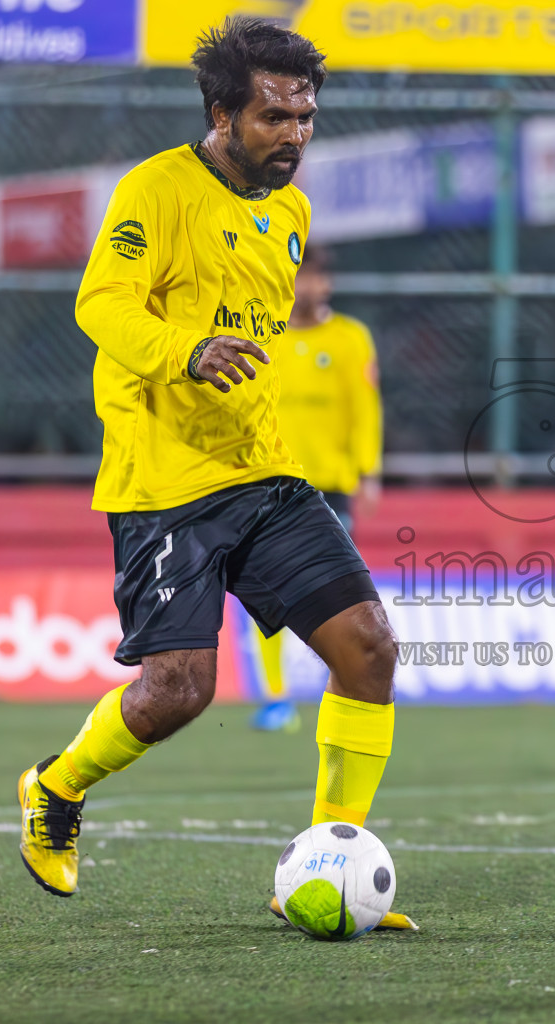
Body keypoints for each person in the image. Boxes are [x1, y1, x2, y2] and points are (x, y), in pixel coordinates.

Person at [15, 17, 414, 931]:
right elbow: (100, 303)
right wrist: (186, 348)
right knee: (180, 690)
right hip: (165, 483)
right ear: (221, 112)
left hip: (265, 474)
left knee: (369, 649)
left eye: (306, 117)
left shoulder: (293, 214)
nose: (295, 135)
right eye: (275, 117)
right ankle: (55, 788)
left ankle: (327, 865)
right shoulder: (155, 191)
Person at [231, 243, 383, 732]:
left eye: (315, 277)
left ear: (328, 284)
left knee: (333, 598)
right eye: (299, 277)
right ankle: (276, 698)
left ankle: (338, 693)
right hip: (268, 480)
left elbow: (365, 408)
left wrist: (369, 470)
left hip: (330, 486)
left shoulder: (350, 338)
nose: (306, 287)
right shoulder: (263, 335)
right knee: (265, 594)